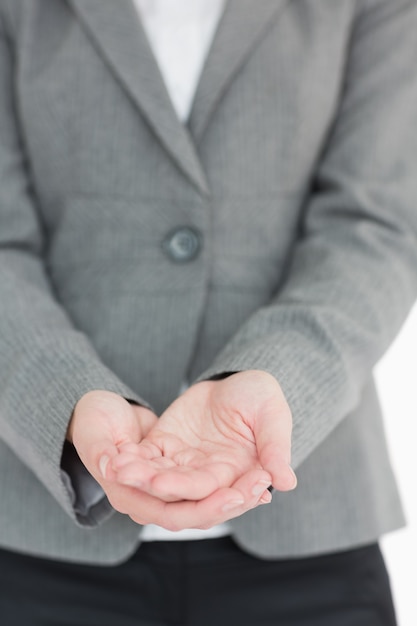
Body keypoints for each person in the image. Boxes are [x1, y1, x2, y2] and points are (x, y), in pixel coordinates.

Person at [1, 0, 416, 624]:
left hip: (312, 539)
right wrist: (68, 399)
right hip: (39, 540)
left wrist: (273, 376)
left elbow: (377, 228)